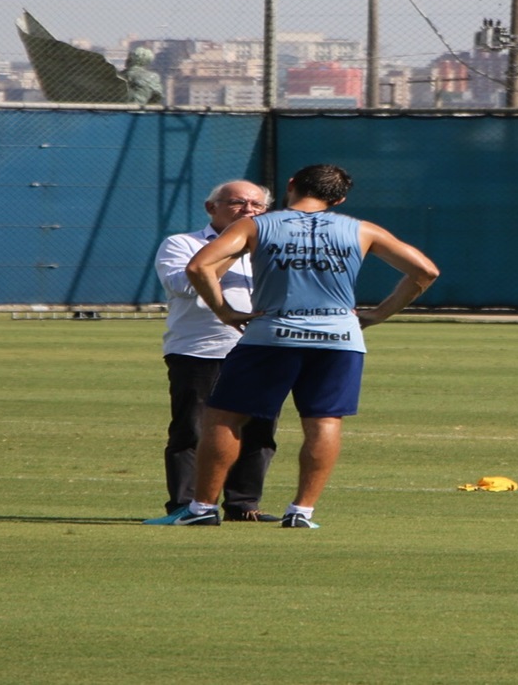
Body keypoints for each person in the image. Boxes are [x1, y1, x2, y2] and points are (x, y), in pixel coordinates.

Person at [146, 164, 440, 528]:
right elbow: (425, 272)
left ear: (290, 185)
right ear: (339, 198)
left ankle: (202, 508)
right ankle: (301, 511)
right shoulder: (361, 229)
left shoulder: (257, 225)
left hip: (273, 335)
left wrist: (224, 311)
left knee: (224, 417)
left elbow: (199, 267)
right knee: (323, 420)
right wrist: (380, 313)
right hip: (339, 339)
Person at [146, 180, 281, 523]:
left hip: (263, 349)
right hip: (200, 350)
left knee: (259, 430)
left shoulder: (275, 248)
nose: (248, 211)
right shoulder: (182, 243)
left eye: (257, 206)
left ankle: (244, 504)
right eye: (238, 204)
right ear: (212, 208)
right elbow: (184, 286)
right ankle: (186, 505)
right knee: (192, 429)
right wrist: (231, 247)